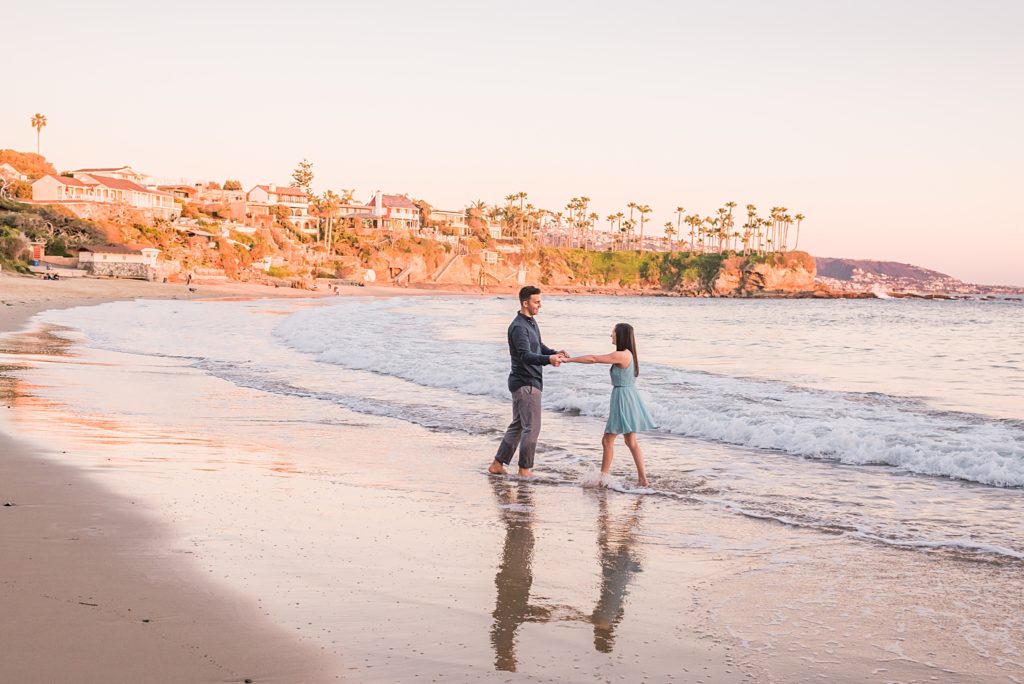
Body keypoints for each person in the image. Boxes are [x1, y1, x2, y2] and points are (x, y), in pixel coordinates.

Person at [563, 323, 655, 486]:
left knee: (608, 440)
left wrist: (569, 360)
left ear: (621, 335)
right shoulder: (628, 354)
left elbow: (593, 359)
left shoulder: (622, 355)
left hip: (623, 398)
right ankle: (643, 480)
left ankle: (603, 479)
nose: (611, 335)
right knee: (630, 441)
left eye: (613, 332)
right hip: (627, 395)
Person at [489, 286, 567, 477]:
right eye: (536, 302)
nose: (540, 305)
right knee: (532, 427)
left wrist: (554, 353)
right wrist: (548, 360)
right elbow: (525, 355)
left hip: (526, 382)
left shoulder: (530, 323)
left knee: (518, 425)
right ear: (525, 303)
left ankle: (497, 464)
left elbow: (538, 347)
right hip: (526, 382)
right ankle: (524, 469)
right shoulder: (518, 326)